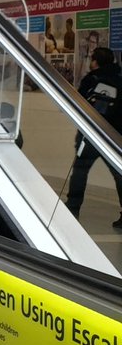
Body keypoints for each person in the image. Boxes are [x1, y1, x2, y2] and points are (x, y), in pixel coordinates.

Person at [65, 46, 122, 229]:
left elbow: (79, 103)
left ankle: (72, 210)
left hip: (90, 135)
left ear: (95, 61)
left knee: (80, 170)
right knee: (119, 174)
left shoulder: (91, 79)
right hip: (114, 135)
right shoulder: (120, 80)